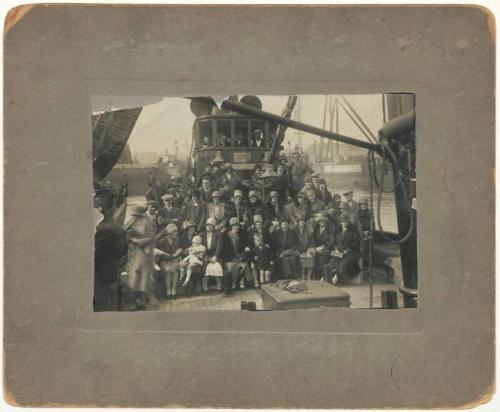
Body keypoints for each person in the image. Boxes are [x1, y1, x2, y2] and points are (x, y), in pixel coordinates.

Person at [93, 196, 127, 312]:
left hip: (102, 274)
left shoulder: (105, 229)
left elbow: (96, 255)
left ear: (100, 209)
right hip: (112, 271)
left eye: (94, 207)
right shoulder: (113, 226)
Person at [124, 205, 156, 310]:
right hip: (135, 253)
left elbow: (151, 238)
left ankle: (142, 302)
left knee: (143, 278)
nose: (135, 217)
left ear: (141, 214)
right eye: (134, 215)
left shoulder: (147, 222)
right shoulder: (134, 222)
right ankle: (135, 302)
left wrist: (137, 241)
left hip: (145, 254)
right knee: (134, 278)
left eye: (137, 215)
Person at [324, 214, 361, 285]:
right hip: (339, 251)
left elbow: (356, 242)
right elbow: (333, 241)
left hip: (352, 251)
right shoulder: (337, 230)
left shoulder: (353, 230)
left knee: (343, 264)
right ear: (341, 222)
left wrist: (347, 249)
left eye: (346, 221)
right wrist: (335, 248)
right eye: (343, 221)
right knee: (332, 262)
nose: (344, 223)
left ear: (348, 222)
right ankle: (327, 278)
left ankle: (337, 278)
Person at [219, 217, 251, 295]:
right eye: (234, 226)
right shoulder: (226, 235)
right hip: (230, 257)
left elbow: (246, 243)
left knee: (244, 265)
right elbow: (223, 248)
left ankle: (241, 283)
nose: (236, 227)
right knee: (231, 268)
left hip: (240, 256)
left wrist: (246, 247)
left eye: (237, 226)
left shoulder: (242, 234)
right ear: (231, 227)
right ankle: (232, 284)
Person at [157, 223, 183, 299]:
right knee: (168, 270)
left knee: (175, 269)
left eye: (176, 232)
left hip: (174, 259)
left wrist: (176, 255)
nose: (176, 233)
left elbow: (179, 249)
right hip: (165, 261)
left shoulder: (177, 240)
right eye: (174, 232)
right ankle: (168, 290)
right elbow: (161, 254)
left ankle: (173, 290)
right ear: (169, 232)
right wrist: (172, 256)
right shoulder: (162, 241)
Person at [312, 212, 338, 281]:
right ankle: (315, 276)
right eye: (320, 221)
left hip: (326, 250)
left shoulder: (330, 230)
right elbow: (313, 240)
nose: (321, 223)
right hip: (316, 249)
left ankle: (321, 277)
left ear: (325, 221)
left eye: (323, 221)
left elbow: (331, 243)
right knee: (312, 258)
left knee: (321, 259)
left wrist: (323, 247)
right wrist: (315, 248)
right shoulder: (316, 229)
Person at [201, 217, 223, 292]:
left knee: (217, 265)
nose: (209, 227)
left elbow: (219, 247)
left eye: (211, 225)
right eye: (207, 225)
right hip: (205, 255)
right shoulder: (202, 234)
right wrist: (204, 256)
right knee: (206, 265)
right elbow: (200, 247)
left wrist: (215, 256)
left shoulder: (218, 234)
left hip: (215, 255)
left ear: (214, 227)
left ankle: (219, 285)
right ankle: (204, 285)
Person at [294, 216, 315, 281]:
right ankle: (303, 277)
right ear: (297, 223)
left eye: (303, 222)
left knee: (311, 257)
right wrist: (296, 249)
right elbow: (292, 241)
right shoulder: (294, 230)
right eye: (300, 222)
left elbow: (312, 242)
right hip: (298, 249)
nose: (302, 223)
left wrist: (310, 249)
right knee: (302, 260)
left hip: (307, 249)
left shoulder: (308, 230)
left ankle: (308, 277)